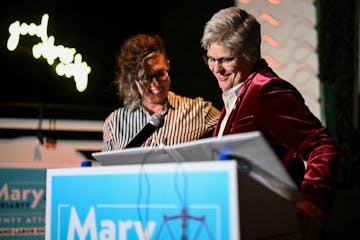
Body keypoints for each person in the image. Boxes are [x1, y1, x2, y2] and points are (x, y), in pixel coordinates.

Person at [200, 7, 340, 240]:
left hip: (274, 226)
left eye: (226, 59)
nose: (217, 69)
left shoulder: (266, 91)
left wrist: (314, 201)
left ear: (252, 55)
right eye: (211, 58)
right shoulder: (236, 91)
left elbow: (322, 147)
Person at [102, 33, 220, 151]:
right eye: (146, 78)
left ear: (167, 64)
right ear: (134, 80)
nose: (156, 84)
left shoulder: (200, 111)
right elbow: (108, 168)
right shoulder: (115, 122)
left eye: (160, 74)